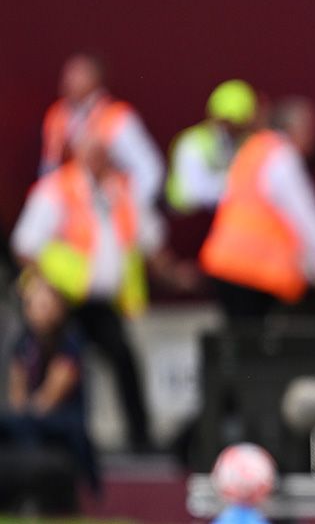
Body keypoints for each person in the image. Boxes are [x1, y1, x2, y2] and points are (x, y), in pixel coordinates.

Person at [10, 131, 186, 450]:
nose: (98, 160)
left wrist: (176, 276)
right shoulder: (57, 189)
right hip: (63, 301)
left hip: (103, 301)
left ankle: (140, 437)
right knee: (52, 365)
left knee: (123, 360)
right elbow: (25, 245)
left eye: (103, 153)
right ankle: (30, 432)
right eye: (92, 153)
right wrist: (44, 290)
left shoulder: (120, 191)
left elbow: (149, 241)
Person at [200, 98, 315, 323]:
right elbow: (307, 217)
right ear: (295, 128)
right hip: (255, 273)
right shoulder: (282, 157)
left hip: (226, 265)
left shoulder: (252, 151)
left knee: (241, 348)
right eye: (310, 128)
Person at [0, 272, 97, 491]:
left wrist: (25, 415)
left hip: (64, 421)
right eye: (34, 304)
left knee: (28, 427)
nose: (38, 311)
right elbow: (16, 393)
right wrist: (19, 413)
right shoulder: (24, 342)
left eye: (45, 304)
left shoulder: (70, 341)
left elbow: (50, 397)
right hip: (32, 416)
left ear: (59, 308)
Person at [41, 53, 164, 208]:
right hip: (69, 211)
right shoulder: (56, 116)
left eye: (77, 74)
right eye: (67, 74)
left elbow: (150, 171)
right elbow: (48, 171)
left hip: (109, 206)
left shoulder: (118, 117)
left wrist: (131, 211)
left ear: (95, 79)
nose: (68, 79)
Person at [166, 80, 259, 214]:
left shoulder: (244, 142)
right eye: (228, 122)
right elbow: (198, 192)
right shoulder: (192, 143)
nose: (230, 129)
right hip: (185, 219)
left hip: (218, 216)